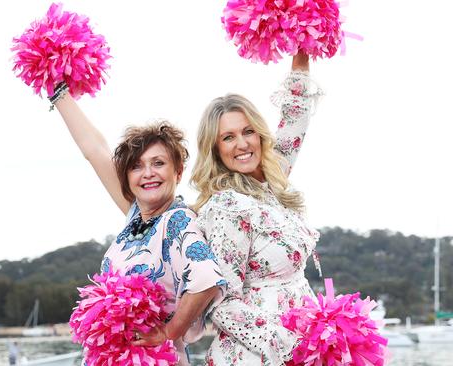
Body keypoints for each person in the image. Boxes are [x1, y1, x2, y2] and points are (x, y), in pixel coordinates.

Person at [50, 93, 226, 366]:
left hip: (157, 359)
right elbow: (94, 150)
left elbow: (207, 279)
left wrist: (170, 331)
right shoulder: (135, 217)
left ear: (178, 172)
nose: (147, 173)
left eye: (158, 163)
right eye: (136, 166)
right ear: (127, 177)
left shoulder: (178, 221)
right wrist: (59, 92)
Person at [190, 53, 323, 366]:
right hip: (259, 355)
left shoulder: (273, 180)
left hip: (303, 344)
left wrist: (302, 45)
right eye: (228, 137)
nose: (242, 144)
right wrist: (287, 345)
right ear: (215, 148)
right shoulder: (225, 206)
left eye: (248, 131)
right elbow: (221, 301)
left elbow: (296, 119)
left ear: (260, 135)